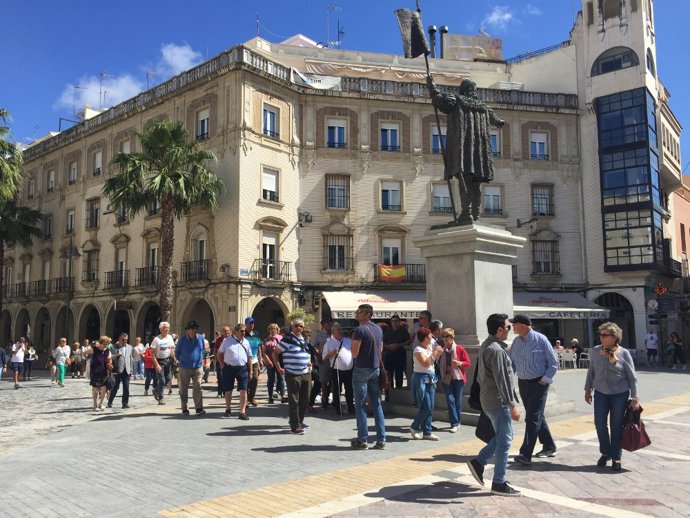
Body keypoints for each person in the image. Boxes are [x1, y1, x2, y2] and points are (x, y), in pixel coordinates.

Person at [426, 75, 504, 224]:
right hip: (480, 153)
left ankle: (466, 214)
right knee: (476, 184)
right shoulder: (483, 106)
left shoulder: (456, 99)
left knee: (465, 180)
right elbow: (497, 121)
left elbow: (440, 102)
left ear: (462, 90)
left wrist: (432, 87)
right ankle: (476, 215)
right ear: (473, 91)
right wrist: (498, 122)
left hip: (463, 150)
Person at [467, 313, 521, 497]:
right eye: (507, 327)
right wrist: (512, 405)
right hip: (498, 401)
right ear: (499, 330)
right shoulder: (497, 350)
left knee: (502, 436)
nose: (510, 329)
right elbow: (503, 380)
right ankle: (498, 482)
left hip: (488, 399)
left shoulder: (486, 345)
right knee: (505, 441)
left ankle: (478, 462)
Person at [584, 322, 640, 472]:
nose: (601, 338)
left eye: (604, 335)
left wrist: (635, 397)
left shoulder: (624, 353)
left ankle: (616, 457)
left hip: (619, 394)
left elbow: (632, 377)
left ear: (615, 337)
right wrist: (587, 389)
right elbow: (591, 372)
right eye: (600, 335)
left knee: (616, 426)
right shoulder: (595, 351)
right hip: (601, 393)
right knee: (599, 424)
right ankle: (606, 452)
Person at [509, 314, 559, 466]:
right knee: (536, 416)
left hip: (539, 383)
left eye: (514, 324)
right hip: (523, 383)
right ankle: (549, 446)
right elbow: (511, 363)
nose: (512, 327)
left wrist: (544, 380)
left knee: (532, 418)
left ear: (523, 325)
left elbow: (553, 363)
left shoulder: (540, 339)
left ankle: (525, 453)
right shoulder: (516, 342)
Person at [351, 303, 386, 450]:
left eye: (358, 312)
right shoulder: (378, 329)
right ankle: (381, 439)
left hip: (361, 369)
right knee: (376, 404)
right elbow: (381, 348)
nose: (356, 314)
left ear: (366, 314)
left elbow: (354, 353)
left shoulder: (359, 330)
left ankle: (362, 439)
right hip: (375, 368)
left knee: (360, 404)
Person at [273, 318, 312, 434]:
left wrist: (309, 361)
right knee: (294, 400)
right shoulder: (287, 340)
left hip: (306, 372)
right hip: (292, 373)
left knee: (305, 399)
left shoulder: (305, 339)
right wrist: (278, 367)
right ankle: (295, 426)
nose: (298, 328)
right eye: (296, 326)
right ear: (292, 327)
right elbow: (275, 353)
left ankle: (299, 421)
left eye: (300, 326)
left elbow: (307, 352)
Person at [410, 327, 443, 441]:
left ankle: (427, 432)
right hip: (421, 379)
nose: (432, 338)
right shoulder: (418, 349)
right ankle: (414, 427)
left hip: (430, 378)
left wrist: (437, 353)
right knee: (426, 407)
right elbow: (425, 363)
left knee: (430, 407)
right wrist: (435, 354)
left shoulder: (428, 348)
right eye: (430, 337)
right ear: (425, 338)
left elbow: (432, 362)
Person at [217, 323, 252, 420]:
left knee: (243, 390)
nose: (243, 333)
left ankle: (242, 412)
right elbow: (219, 354)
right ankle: (228, 408)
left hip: (242, 368)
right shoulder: (227, 341)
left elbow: (250, 357)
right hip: (229, 368)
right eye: (241, 331)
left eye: (244, 331)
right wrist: (222, 365)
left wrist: (251, 371)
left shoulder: (246, 342)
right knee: (228, 390)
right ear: (235, 332)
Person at [439, 327, 470, 433]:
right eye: (443, 337)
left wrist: (459, 363)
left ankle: (458, 421)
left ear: (452, 338)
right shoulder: (442, 349)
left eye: (446, 338)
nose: (444, 340)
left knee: (457, 400)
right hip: (446, 377)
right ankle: (454, 423)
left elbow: (468, 362)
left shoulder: (460, 349)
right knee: (450, 399)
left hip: (458, 378)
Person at [322, 322, 354, 416]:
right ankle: (338, 409)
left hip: (349, 370)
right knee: (337, 390)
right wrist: (331, 353)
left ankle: (351, 407)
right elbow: (324, 358)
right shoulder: (329, 343)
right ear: (333, 332)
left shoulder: (348, 341)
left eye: (341, 329)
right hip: (337, 370)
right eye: (338, 330)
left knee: (350, 389)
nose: (341, 331)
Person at [176, 321, 206, 415]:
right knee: (183, 389)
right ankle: (184, 408)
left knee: (198, 387)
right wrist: (182, 361)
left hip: (198, 367)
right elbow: (177, 353)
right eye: (192, 329)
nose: (194, 330)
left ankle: (198, 408)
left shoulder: (200, 338)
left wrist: (202, 362)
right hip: (185, 368)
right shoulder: (182, 340)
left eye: (195, 328)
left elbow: (203, 350)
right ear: (187, 330)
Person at [382, 314, 411, 396]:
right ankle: (389, 395)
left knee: (399, 377)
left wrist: (399, 345)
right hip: (389, 357)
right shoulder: (388, 331)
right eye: (392, 321)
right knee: (389, 377)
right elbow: (383, 342)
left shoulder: (404, 331)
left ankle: (398, 395)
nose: (394, 323)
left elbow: (409, 341)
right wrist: (388, 346)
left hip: (399, 357)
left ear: (399, 322)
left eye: (396, 321)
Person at [151, 321, 176, 405]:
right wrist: (157, 365)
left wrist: (174, 356)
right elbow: (152, 354)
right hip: (159, 361)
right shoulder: (156, 339)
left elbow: (172, 349)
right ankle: (161, 397)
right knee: (162, 380)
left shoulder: (170, 337)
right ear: (161, 329)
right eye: (165, 328)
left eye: (168, 328)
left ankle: (156, 390)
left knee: (168, 378)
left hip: (168, 360)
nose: (167, 329)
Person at [107, 333, 133, 409]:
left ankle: (125, 403)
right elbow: (109, 357)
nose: (125, 341)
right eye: (123, 340)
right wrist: (116, 355)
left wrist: (131, 369)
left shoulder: (130, 347)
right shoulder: (113, 347)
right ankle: (110, 401)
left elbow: (130, 358)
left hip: (127, 370)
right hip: (117, 369)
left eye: (126, 340)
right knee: (115, 387)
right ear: (119, 339)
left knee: (126, 387)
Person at [263, 323, 286, 404]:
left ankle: (283, 396)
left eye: (274, 329)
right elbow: (264, 352)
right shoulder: (266, 340)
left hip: (280, 362)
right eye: (271, 329)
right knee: (270, 379)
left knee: (281, 378)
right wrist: (268, 361)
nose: (273, 330)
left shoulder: (281, 339)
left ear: (277, 330)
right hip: (270, 363)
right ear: (269, 330)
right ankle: (270, 396)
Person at [311, 319, 332, 410]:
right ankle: (324, 400)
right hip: (323, 361)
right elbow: (312, 346)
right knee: (323, 381)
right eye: (328, 323)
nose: (330, 325)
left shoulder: (333, 334)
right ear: (323, 325)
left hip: (334, 360)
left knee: (332, 381)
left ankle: (333, 399)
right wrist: (318, 356)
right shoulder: (319, 335)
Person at [89, 336, 113, 412]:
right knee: (95, 388)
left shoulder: (108, 351)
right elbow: (84, 353)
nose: (106, 345)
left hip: (104, 371)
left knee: (104, 388)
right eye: (104, 344)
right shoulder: (94, 349)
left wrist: (110, 364)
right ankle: (95, 404)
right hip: (95, 371)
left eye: (107, 344)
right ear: (100, 343)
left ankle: (101, 404)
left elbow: (109, 360)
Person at [244, 317, 263, 406]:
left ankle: (251, 397)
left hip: (255, 360)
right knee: (247, 379)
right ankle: (245, 400)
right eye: (250, 323)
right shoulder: (243, 334)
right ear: (246, 324)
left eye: (252, 323)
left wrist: (260, 358)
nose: (251, 325)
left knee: (255, 378)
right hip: (245, 360)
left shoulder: (256, 334)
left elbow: (259, 346)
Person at [214, 327, 231, 397]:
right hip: (220, 361)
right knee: (220, 377)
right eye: (225, 331)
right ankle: (219, 392)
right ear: (222, 332)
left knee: (226, 377)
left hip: (228, 362)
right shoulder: (219, 340)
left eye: (227, 331)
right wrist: (216, 359)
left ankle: (225, 392)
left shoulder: (231, 339)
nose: (226, 332)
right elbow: (215, 350)